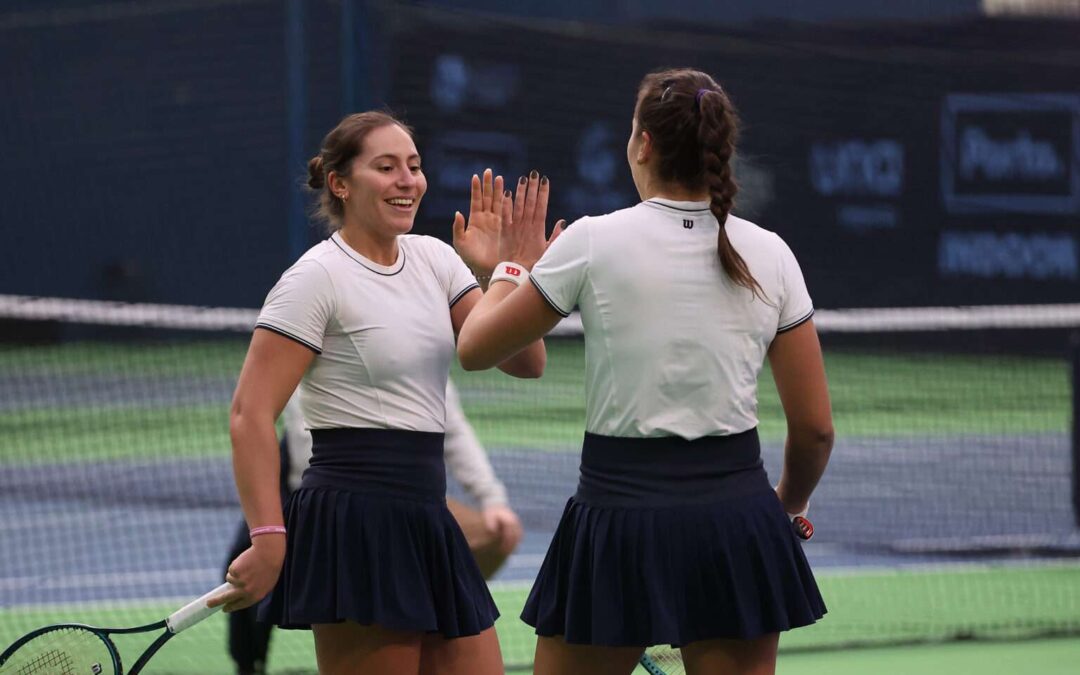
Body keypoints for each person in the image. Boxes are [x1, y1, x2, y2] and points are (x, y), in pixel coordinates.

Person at [455, 68, 834, 675]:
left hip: (616, 526)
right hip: (737, 525)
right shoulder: (773, 252)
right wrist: (784, 509)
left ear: (642, 145)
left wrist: (508, 268)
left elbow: (475, 349)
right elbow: (815, 430)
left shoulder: (590, 241)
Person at [210, 110, 546, 675]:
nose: (407, 180)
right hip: (355, 522)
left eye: (413, 167)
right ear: (340, 183)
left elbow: (524, 361)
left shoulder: (438, 260)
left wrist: (504, 273)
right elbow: (250, 414)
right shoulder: (314, 278)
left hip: (427, 515)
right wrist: (269, 538)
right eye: (386, 167)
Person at [222, 382, 524, 675]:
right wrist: (307, 522)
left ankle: (423, 612)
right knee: (245, 566)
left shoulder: (428, 351)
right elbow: (278, 430)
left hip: (414, 499)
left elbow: (457, 429)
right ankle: (249, 664)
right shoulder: (319, 352)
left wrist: (492, 499)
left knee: (495, 536)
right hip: (319, 492)